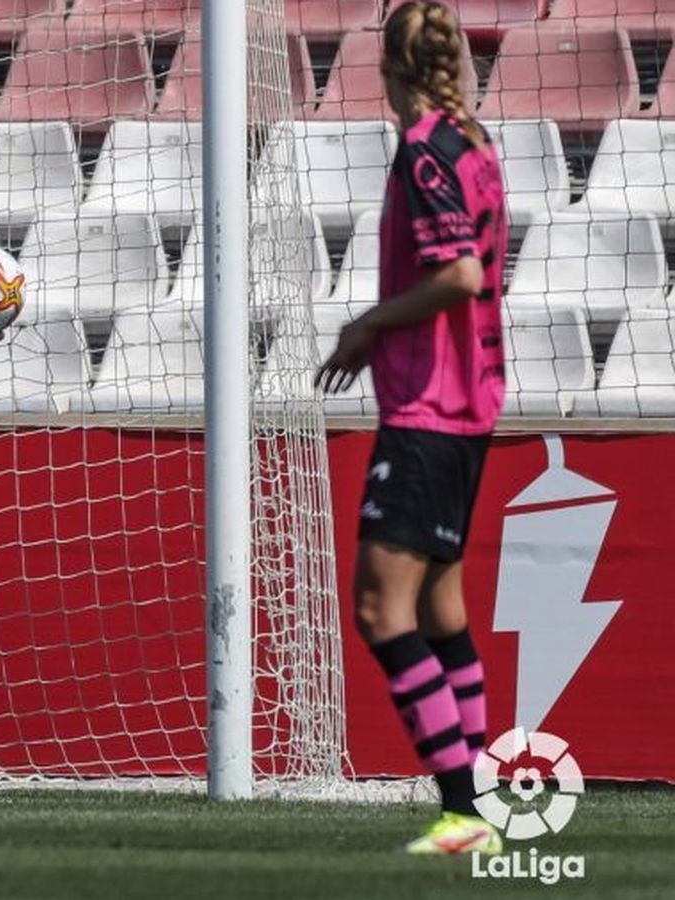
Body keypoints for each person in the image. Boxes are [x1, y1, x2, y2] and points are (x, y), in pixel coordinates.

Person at [315, 0, 507, 856]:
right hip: (469, 406)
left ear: (385, 69)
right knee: (439, 608)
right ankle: (481, 806)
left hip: (430, 409)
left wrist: (370, 324)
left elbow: (460, 273)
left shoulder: (427, 148)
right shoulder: (474, 144)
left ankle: (464, 810)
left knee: (378, 610)